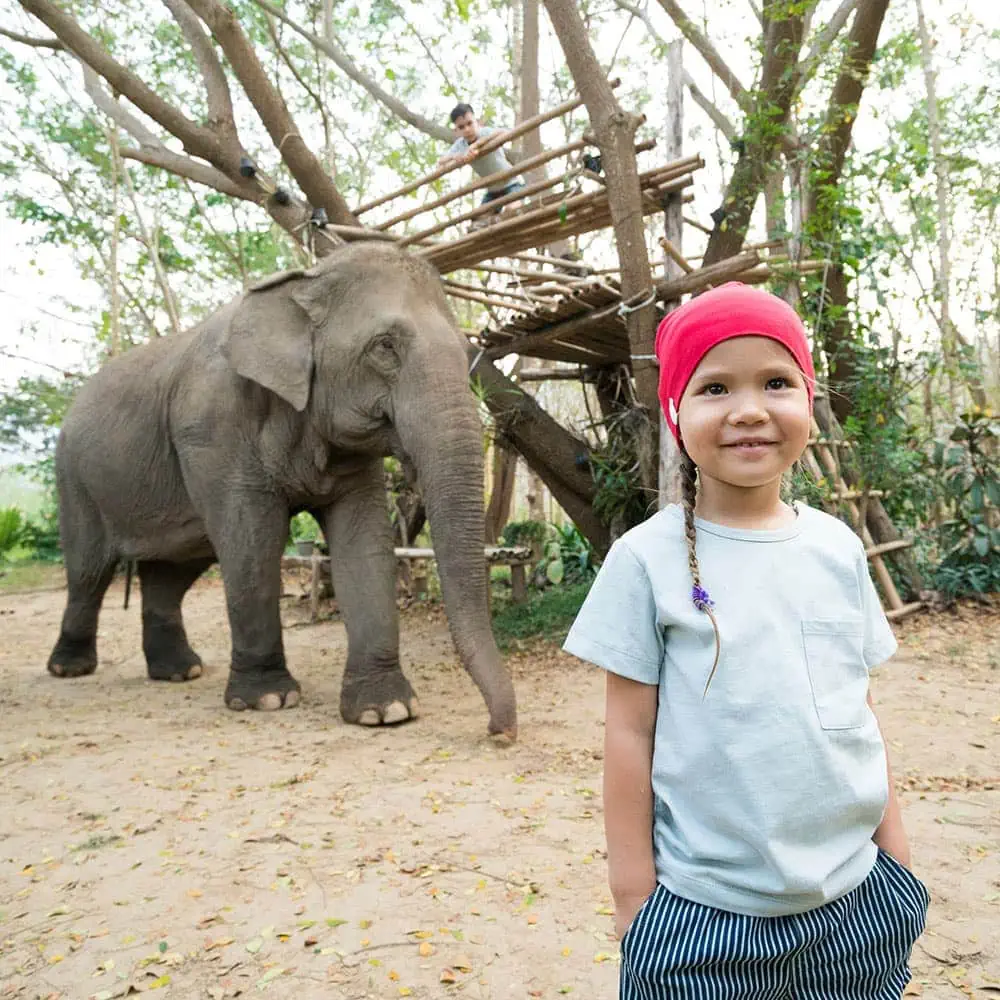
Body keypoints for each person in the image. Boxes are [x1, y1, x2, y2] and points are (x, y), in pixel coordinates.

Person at [562, 282, 929, 999]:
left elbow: (857, 711)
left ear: (809, 398)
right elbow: (629, 733)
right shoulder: (645, 561)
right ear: (676, 411)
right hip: (702, 914)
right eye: (715, 387)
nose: (750, 409)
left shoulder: (836, 547)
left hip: (858, 902)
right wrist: (633, 898)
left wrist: (898, 862)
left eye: (776, 382)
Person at [436, 103, 525, 226]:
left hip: (511, 183)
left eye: (470, 123)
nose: (467, 129)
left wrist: (477, 145)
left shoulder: (485, 132)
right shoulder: (460, 145)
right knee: (478, 221)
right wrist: (455, 157)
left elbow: (505, 132)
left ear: (476, 122)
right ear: (456, 131)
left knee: (511, 210)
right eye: (461, 127)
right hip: (493, 191)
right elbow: (440, 162)